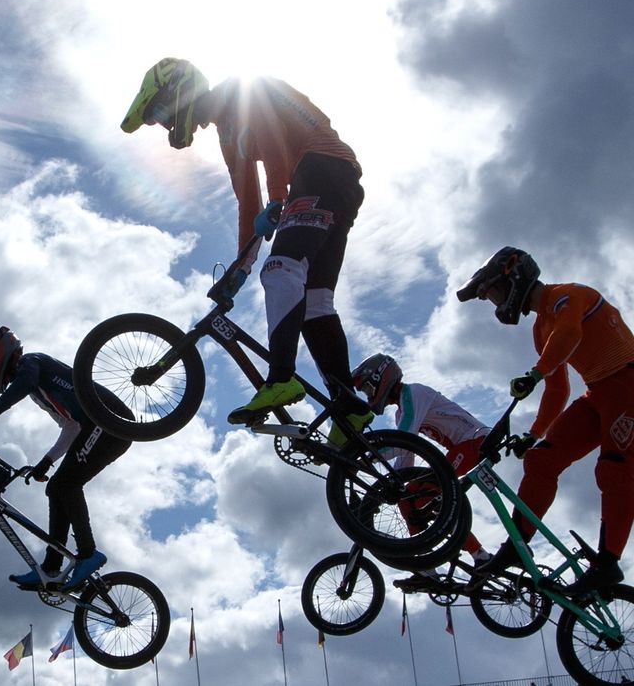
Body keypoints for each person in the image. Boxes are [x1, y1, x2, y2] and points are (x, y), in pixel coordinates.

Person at [120, 57, 371, 440]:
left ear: (178, 93)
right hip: (337, 183)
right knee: (315, 302)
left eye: (157, 112)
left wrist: (278, 194)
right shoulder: (226, 133)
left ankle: (281, 379)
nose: (164, 124)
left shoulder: (240, 92)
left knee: (281, 270)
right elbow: (247, 204)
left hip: (321, 168)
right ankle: (349, 410)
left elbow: (271, 135)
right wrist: (239, 269)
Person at [460, 246, 634, 595]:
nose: (496, 303)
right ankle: (517, 545)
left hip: (628, 383)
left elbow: (571, 335)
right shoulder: (540, 329)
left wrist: (535, 373)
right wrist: (534, 433)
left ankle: (607, 563)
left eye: (494, 292)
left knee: (615, 469)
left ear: (514, 274)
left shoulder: (566, 296)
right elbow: (557, 389)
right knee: (541, 460)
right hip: (598, 393)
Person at [0, 325, 132, 591]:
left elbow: (23, 384)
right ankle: (51, 567)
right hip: (99, 427)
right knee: (56, 487)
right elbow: (71, 427)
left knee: (66, 485)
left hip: (108, 421)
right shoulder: (39, 390)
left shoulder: (32, 363)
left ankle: (87, 553)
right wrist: (47, 461)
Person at [350, 353, 494, 587]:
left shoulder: (414, 393)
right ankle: (428, 569)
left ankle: (480, 556)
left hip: (475, 442)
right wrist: (392, 486)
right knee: (409, 499)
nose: (368, 396)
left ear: (380, 377)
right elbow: (407, 455)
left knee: (430, 492)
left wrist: (367, 458)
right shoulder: (401, 411)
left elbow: (404, 440)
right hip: (461, 449)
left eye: (367, 389)